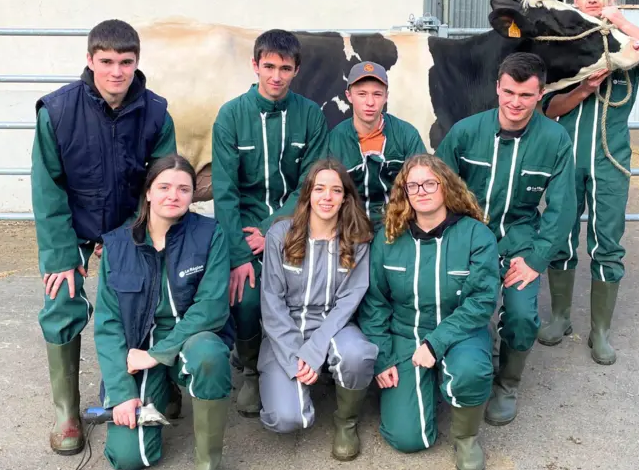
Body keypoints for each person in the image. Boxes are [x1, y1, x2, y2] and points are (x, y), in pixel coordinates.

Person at [31, 19, 177, 455]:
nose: (117, 71)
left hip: (132, 221)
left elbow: (163, 181)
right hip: (73, 225)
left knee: (142, 294)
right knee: (61, 300)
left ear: (137, 62)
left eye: (126, 62)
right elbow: (47, 187)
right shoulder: (56, 111)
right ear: (90, 60)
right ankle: (67, 413)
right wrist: (61, 254)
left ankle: (151, 379)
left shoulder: (155, 113)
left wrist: (125, 235)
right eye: (107, 61)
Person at [538, 0, 639, 365]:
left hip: (610, 159)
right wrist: (584, 88)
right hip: (565, 160)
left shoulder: (628, 47)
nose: (593, 0)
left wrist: (621, 22)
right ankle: (560, 318)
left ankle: (599, 331)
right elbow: (548, 110)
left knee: (607, 243)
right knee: (560, 237)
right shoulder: (564, 47)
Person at [436, 52, 576, 427]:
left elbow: (563, 207)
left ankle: (508, 383)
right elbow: (436, 187)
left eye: (526, 96)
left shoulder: (555, 139)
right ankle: (448, 365)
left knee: (520, 314)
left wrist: (536, 258)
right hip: (467, 238)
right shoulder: (466, 131)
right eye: (509, 92)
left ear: (540, 94)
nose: (515, 102)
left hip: (520, 241)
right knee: (446, 300)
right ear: (497, 88)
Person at [211, 29, 328, 416]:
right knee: (245, 296)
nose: (276, 76)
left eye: (285, 68)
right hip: (241, 225)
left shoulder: (310, 115)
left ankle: (303, 360)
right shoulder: (230, 115)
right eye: (269, 66)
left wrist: (273, 228)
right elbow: (224, 193)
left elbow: (310, 184)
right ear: (255, 65)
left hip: (294, 222)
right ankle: (248, 368)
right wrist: (237, 251)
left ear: (296, 71)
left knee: (300, 290)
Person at [359, 154, 499, 470]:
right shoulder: (389, 237)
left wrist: (436, 343)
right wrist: (382, 357)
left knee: (470, 370)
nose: (421, 191)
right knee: (408, 439)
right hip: (405, 334)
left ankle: (466, 439)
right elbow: (375, 303)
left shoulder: (476, 234)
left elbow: (481, 301)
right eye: (413, 185)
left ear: (445, 186)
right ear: (405, 193)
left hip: (459, 330)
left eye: (430, 183)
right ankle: (421, 385)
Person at [94, 154, 233, 470]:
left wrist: (158, 354)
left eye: (184, 189)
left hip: (191, 340)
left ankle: (208, 461)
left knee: (209, 357)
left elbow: (212, 308)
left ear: (192, 195)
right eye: (164, 186)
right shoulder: (118, 245)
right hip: (139, 349)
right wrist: (121, 393)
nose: (174, 195)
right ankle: (160, 397)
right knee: (129, 458)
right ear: (148, 192)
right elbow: (109, 323)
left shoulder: (210, 234)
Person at [257, 158, 377, 460]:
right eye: (320, 188)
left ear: (345, 197)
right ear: (308, 193)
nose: (327, 197)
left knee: (358, 355)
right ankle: (278, 379)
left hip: (333, 324)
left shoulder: (357, 239)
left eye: (336, 190)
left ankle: (346, 421)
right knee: (288, 418)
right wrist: (295, 355)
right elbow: (272, 303)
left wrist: (315, 349)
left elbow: (350, 299)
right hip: (285, 329)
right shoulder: (280, 235)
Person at [328, 61, 427, 230]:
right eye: (362, 94)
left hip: (400, 227)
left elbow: (424, 184)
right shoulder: (335, 139)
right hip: (350, 229)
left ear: (386, 96)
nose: (370, 102)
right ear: (349, 96)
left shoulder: (406, 134)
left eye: (377, 94)